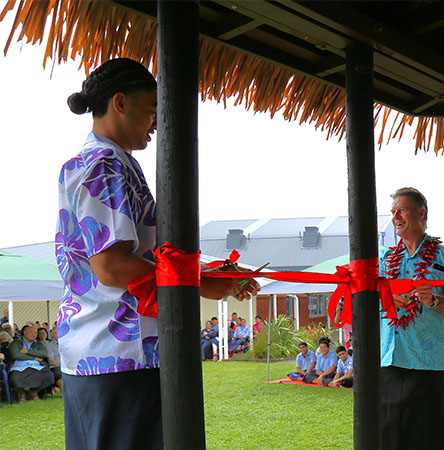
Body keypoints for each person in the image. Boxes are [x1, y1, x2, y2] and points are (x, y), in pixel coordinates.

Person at [56, 58, 259, 449]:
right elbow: (113, 266)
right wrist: (199, 283)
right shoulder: (104, 164)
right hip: (120, 352)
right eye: (152, 109)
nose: (156, 121)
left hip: (101, 350)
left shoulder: (109, 162)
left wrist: (208, 277)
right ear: (120, 103)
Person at [379, 187, 444, 450]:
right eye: (393, 212)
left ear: (420, 213)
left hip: (428, 362)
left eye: (400, 210)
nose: (395, 217)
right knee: (390, 438)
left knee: (429, 438)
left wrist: (434, 299)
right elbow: (363, 299)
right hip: (391, 359)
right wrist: (386, 298)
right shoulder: (383, 259)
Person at [8, 325, 56, 403]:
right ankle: (22, 394)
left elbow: (43, 353)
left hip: (37, 366)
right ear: (24, 332)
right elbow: (16, 355)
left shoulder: (38, 344)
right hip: (20, 366)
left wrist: (27, 351)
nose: (34, 334)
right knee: (14, 378)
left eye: (35, 333)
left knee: (49, 376)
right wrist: (34, 358)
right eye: (31, 332)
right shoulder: (16, 342)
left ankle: (33, 392)